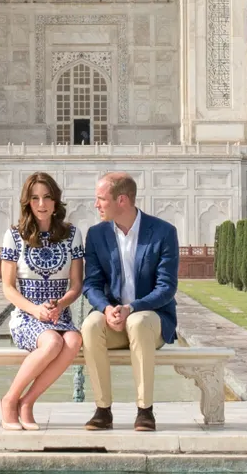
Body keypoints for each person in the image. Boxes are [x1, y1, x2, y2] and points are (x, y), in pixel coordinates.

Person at [79, 171, 179, 432]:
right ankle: (103, 410)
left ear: (121, 200)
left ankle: (145, 410)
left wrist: (132, 307)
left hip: (151, 320)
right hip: (114, 319)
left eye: (101, 198)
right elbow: (91, 284)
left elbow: (166, 288)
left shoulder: (162, 232)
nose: (96, 204)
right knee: (90, 326)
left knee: (137, 321)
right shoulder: (97, 234)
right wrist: (107, 308)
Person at [0, 171, 84, 431]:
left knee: (74, 340)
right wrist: (36, 310)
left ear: (56, 201)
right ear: (27, 202)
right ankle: (9, 400)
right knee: (52, 342)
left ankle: (27, 402)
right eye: (35, 198)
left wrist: (60, 305)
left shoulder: (72, 235)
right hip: (27, 315)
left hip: (59, 314)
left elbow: (77, 285)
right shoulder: (14, 236)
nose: (41, 204)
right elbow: (8, 288)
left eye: (47, 197)